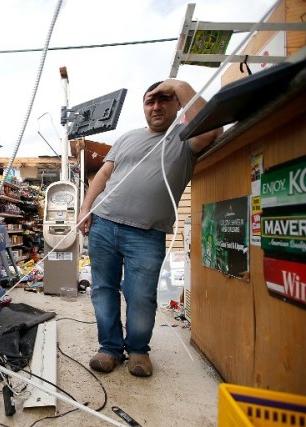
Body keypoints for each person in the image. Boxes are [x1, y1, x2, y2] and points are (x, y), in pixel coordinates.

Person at [76, 79, 222, 377]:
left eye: (164, 99)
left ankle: (139, 351)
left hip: (146, 234)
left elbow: (213, 128)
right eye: (149, 101)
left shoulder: (186, 137)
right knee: (103, 290)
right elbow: (104, 174)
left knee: (140, 295)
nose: (156, 106)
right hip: (103, 224)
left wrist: (179, 85)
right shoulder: (127, 138)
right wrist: (85, 209)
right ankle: (110, 349)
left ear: (178, 104)